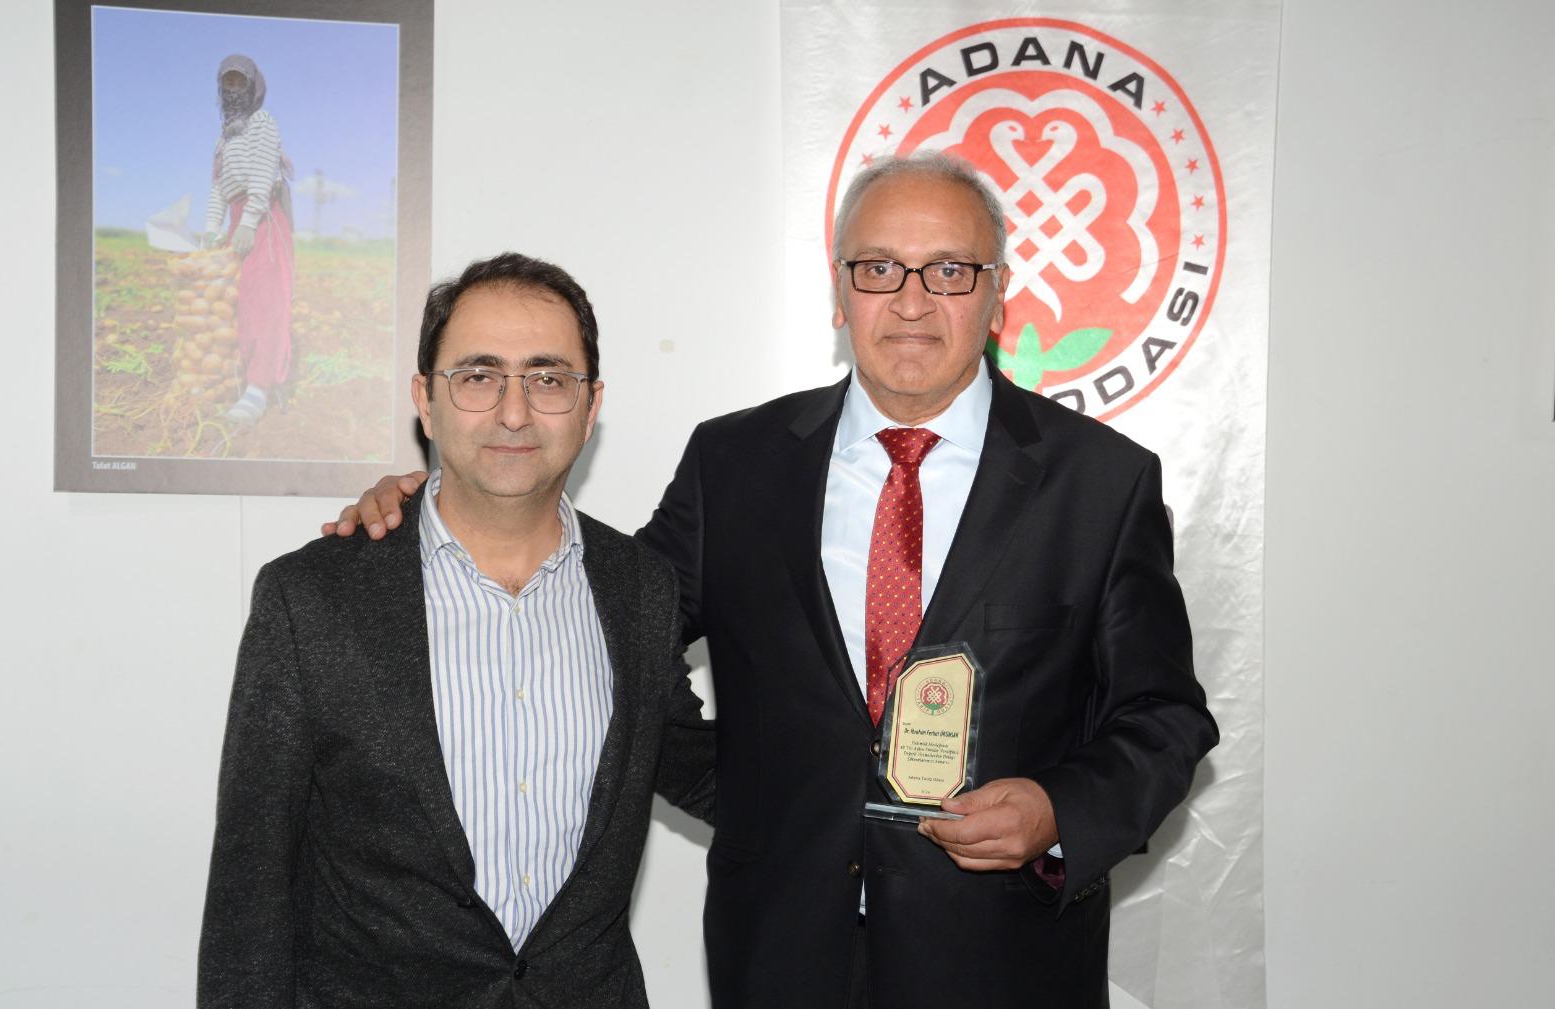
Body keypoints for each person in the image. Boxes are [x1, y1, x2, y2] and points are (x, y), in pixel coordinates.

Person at [328, 153, 1218, 1008]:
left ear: (996, 294)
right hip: (782, 956)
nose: (911, 301)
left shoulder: (1102, 483)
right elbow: (604, 617)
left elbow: (1164, 717)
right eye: (878, 268)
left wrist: (1058, 810)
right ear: (839, 289)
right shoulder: (736, 462)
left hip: (1007, 962)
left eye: (949, 270)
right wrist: (450, 504)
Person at [199, 253, 715, 1009]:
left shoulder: (641, 589)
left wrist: (880, 783)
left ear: (590, 404)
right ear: (426, 400)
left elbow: (702, 767)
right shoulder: (311, 597)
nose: (514, 412)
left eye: (548, 379)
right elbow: (251, 882)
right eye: (478, 376)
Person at [200, 54, 295, 427]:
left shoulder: (263, 123)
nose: (234, 89)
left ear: (253, 87)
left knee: (265, 302)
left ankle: (259, 388)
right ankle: (242, 378)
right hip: (238, 221)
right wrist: (212, 226)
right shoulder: (224, 137)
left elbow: (261, 174)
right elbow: (219, 187)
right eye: (228, 83)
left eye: (240, 82)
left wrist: (249, 222)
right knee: (238, 302)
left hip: (264, 220)